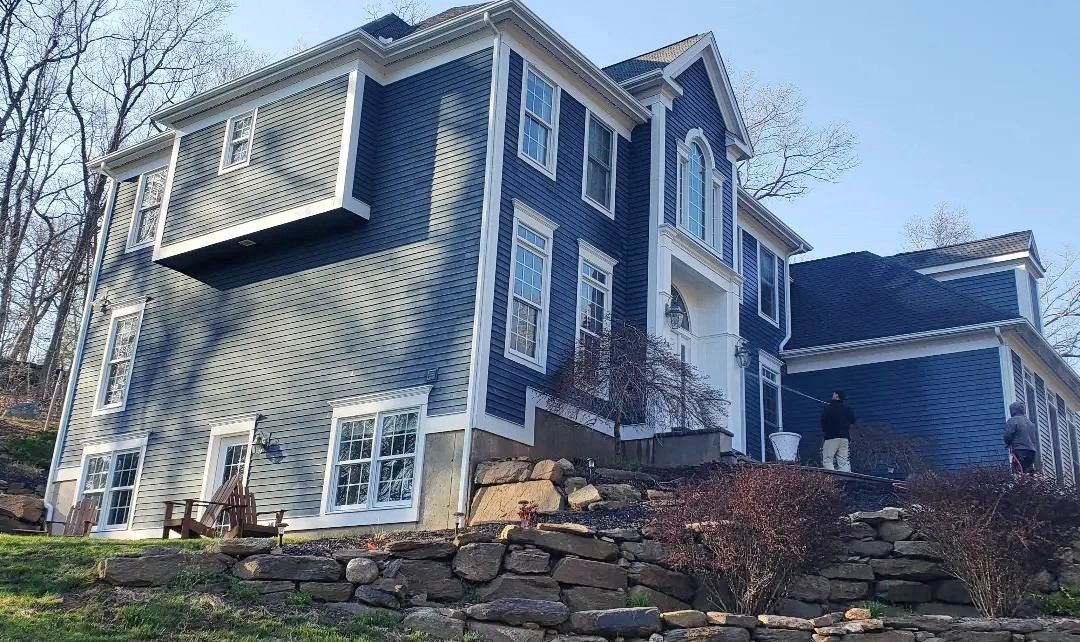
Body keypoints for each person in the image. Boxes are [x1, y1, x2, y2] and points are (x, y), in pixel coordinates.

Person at [821, 390, 856, 472]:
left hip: (831, 437)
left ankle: (832, 480)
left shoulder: (828, 408)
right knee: (843, 461)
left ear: (837, 396)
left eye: (833, 394)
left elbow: (823, 421)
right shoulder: (847, 408)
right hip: (844, 438)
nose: (832, 395)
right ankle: (846, 480)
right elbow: (853, 420)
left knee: (828, 459)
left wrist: (826, 430)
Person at [1004, 401, 1039, 475]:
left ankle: (1019, 485)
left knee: (1017, 473)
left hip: (1020, 450)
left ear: (1013, 410)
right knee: (1027, 473)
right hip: (1032, 453)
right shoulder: (1030, 423)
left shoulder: (1013, 420)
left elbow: (1007, 435)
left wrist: (1008, 442)